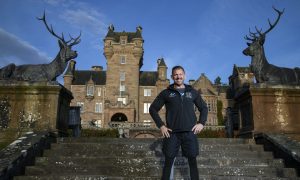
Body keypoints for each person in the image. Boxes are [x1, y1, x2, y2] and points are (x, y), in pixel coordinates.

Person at [149, 65, 208, 180]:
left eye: (180, 74)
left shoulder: (192, 92)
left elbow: (204, 108)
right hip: (172, 133)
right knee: (168, 162)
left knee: (192, 161)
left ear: (184, 76)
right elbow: (152, 109)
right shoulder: (166, 93)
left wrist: (201, 123)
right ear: (172, 76)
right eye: (176, 74)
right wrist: (161, 125)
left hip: (190, 132)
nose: (178, 76)